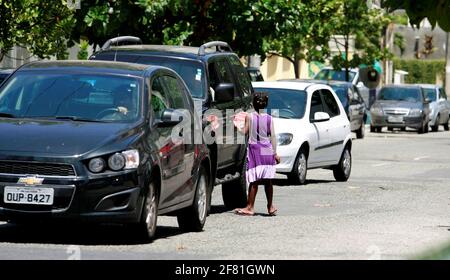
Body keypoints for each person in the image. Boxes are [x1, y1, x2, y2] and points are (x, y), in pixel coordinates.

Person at [234, 92, 280, 216]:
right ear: (266, 104)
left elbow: (244, 132)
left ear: (253, 104)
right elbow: (273, 137)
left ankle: (250, 207)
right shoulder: (269, 118)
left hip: (255, 149)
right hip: (267, 149)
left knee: (254, 180)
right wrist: (275, 153)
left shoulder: (250, 117)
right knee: (268, 180)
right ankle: (270, 207)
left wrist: (237, 127)